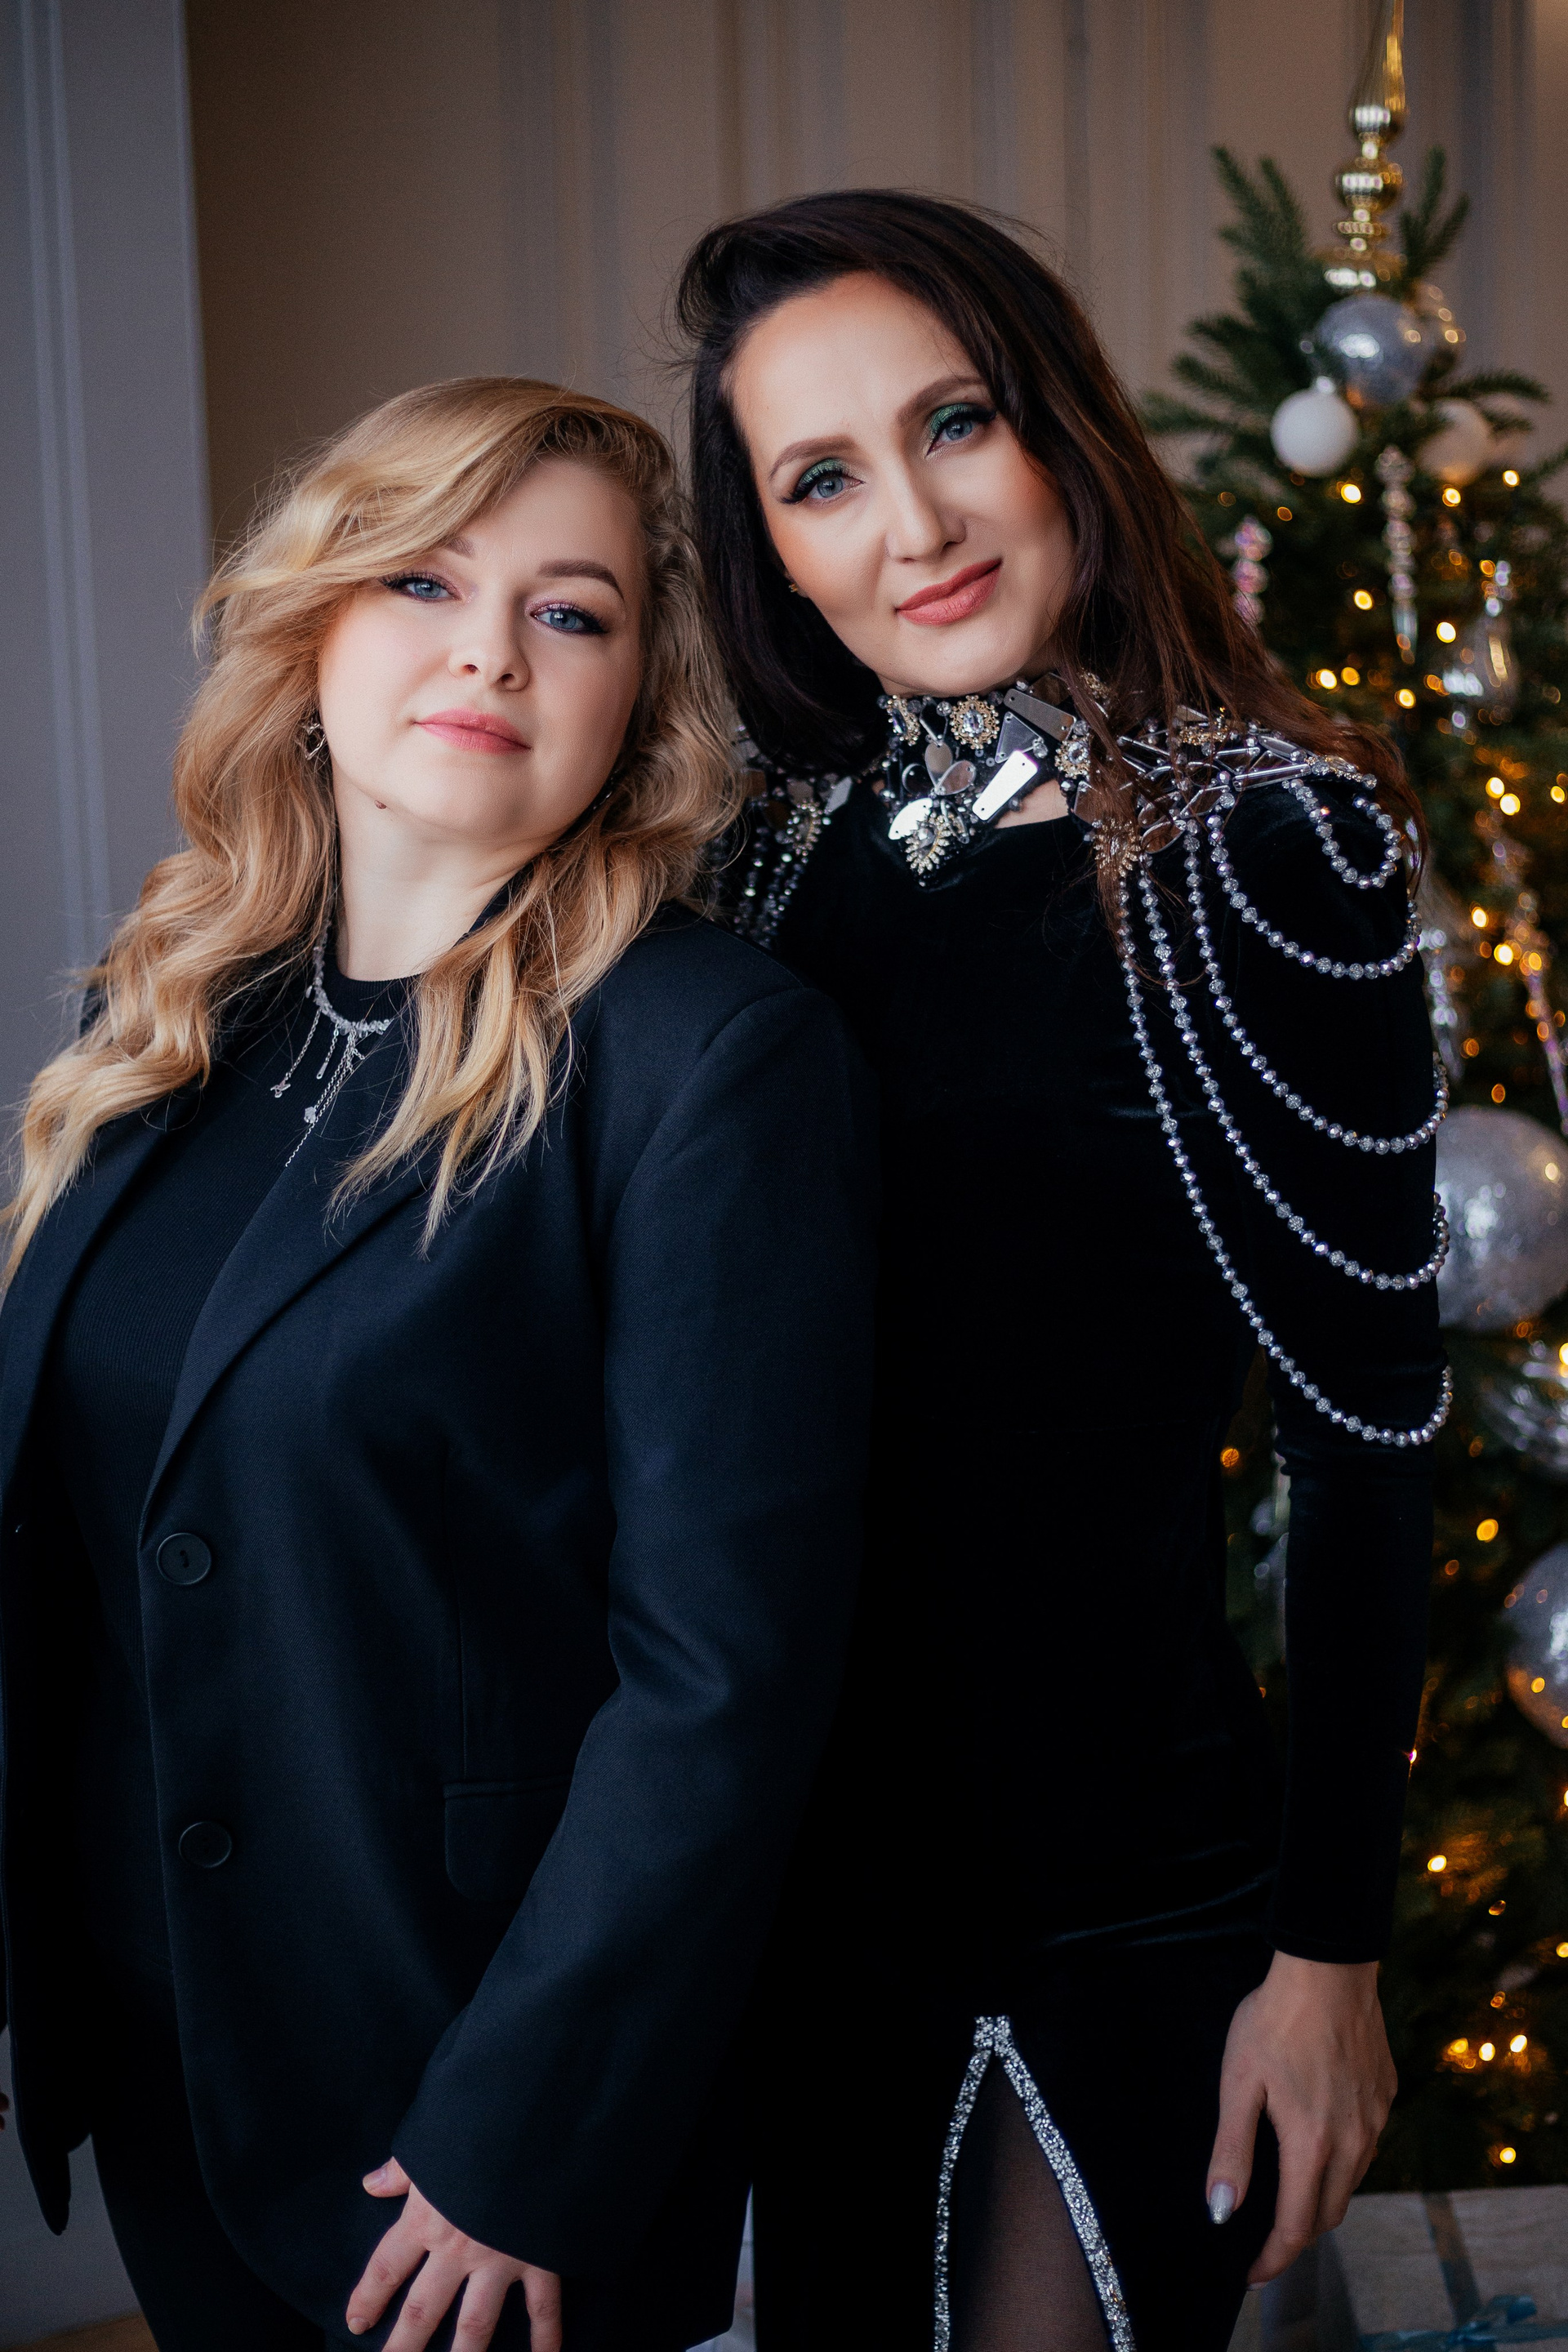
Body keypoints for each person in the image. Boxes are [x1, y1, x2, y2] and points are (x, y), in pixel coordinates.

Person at [0, 377, 875, 2352]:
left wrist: (527, 2134)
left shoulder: (706, 1057)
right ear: (315, 631)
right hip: (162, 2050)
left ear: (634, 702)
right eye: (425, 579)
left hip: (461, 2118)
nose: (491, 649)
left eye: (570, 611)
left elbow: (726, 1678)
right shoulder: (175, 1010)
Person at [675, 192, 1446, 2352]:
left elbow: (1367, 1450)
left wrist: (1331, 1960)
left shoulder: (1266, 842)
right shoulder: (761, 862)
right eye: (823, 478)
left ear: (1062, 427)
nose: (913, 525)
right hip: (809, 1900)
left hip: (1121, 1894)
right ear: (772, 547)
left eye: (956, 424)